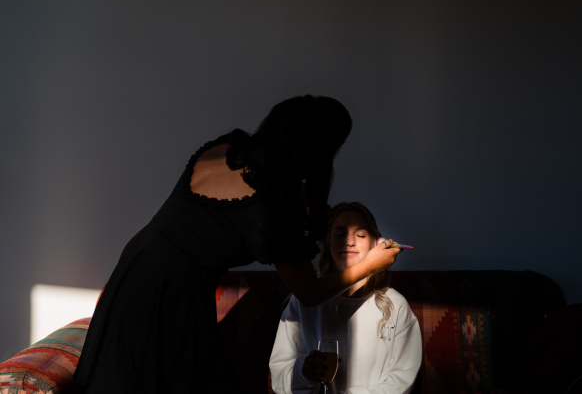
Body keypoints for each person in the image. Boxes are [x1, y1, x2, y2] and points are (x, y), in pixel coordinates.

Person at [73, 96, 401, 394]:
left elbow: (233, 215)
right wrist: (369, 264)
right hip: (170, 297)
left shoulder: (230, 147)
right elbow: (309, 292)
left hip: (135, 269)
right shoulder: (275, 208)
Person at [269, 202, 422, 394]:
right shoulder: (301, 302)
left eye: (360, 235)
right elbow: (279, 377)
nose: (349, 242)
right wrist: (303, 371)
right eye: (340, 234)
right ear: (328, 242)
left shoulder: (396, 306)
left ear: (375, 243)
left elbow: (401, 379)